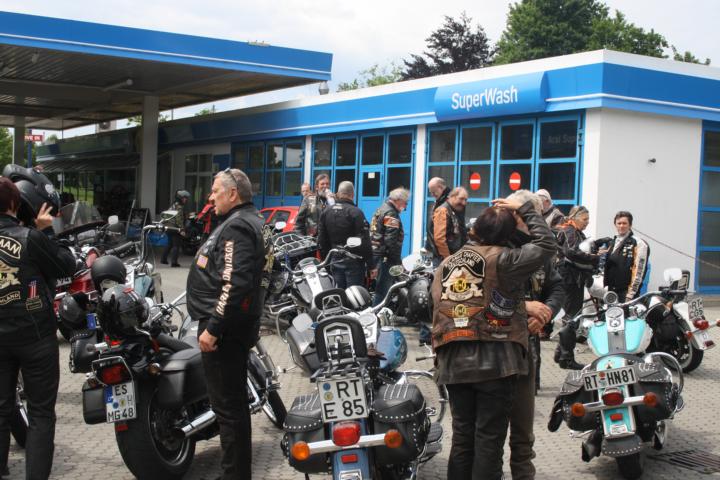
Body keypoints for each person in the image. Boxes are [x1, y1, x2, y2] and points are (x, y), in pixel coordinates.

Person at [431, 196, 556, 480]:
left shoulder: (446, 263)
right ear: (507, 235)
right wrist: (523, 209)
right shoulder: (504, 259)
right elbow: (547, 244)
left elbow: (436, 307)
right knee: (488, 439)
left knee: (462, 438)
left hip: (452, 359)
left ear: (476, 229)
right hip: (496, 361)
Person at [187, 168, 273, 480]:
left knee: (228, 410)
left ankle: (234, 474)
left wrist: (213, 328)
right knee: (232, 408)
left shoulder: (237, 226)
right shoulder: (252, 221)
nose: (211, 198)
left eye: (215, 191)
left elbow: (234, 283)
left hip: (224, 331)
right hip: (236, 326)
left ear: (233, 193)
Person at [0, 172, 76, 480]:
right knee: (41, 413)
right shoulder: (30, 237)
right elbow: (66, 266)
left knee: (0, 409)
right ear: (15, 203)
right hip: (35, 337)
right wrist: (46, 231)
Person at [505, 190, 565, 480]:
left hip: (526, 346)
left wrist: (546, 311)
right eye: (534, 216)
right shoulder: (494, 244)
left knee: (523, 429)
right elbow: (478, 297)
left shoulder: (540, 252)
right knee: (488, 433)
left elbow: (556, 287)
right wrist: (522, 309)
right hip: (494, 347)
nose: (538, 222)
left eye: (539, 216)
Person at [554, 205, 603, 370]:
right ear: (574, 218)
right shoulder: (569, 231)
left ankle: (561, 353)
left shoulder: (576, 232)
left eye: (588, 219)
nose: (587, 222)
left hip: (574, 279)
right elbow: (572, 252)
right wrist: (594, 257)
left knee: (571, 316)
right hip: (569, 279)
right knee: (571, 318)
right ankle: (566, 358)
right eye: (585, 219)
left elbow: (580, 248)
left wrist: (597, 243)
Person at [317, 181, 373, 289]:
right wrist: (371, 265)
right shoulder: (356, 212)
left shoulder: (326, 211)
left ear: (338, 194)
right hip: (354, 262)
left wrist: (326, 261)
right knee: (355, 295)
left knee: (339, 293)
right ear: (352, 194)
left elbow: (322, 240)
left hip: (334, 259)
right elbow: (365, 242)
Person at [370, 188, 408, 306]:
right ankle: (376, 314)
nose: (405, 206)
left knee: (381, 289)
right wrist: (397, 262)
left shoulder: (381, 209)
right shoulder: (391, 213)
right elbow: (390, 241)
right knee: (383, 291)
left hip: (376, 255)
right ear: (398, 200)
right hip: (386, 258)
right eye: (405, 203)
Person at [603, 211, 650, 302]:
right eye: (619, 223)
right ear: (615, 225)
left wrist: (631, 294)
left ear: (630, 225)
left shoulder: (639, 243)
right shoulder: (614, 241)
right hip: (612, 290)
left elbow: (639, 270)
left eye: (624, 223)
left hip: (626, 293)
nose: (621, 226)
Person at [429, 187, 469, 265]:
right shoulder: (443, 211)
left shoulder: (455, 210)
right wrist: (448, 259)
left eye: (465, 200)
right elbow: (439, 239)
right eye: (461, 199)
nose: (464, 203)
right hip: (444, 261)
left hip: (453, 258)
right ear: (452, 197)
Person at [294, 173, 333, 237]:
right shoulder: (308, 200)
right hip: (312, 239)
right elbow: (298, 222)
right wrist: (301, 238)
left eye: (327, 184)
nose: (325, 186)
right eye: (322, 184)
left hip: (329, 239)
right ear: (317, 187)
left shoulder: (334, 200)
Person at [161, 189, 190, 267]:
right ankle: (174, 262)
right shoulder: (179, 207)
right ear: (180, 198)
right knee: (176, 245)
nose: (185, 199)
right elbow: (179, 219)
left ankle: (163, 259)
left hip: (168, 227)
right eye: (184, 198)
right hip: (175, 228)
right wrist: (182, 229)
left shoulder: (173, 205)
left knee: (170, 244)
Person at [425, 177, 451, 254]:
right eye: (431, 192)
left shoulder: (449, 201)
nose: (432, 195)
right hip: (436, 250)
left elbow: (441, 236)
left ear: (440, 187)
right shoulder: (440, 199)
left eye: (434, 192)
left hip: (442, 251)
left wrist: (446, 256)